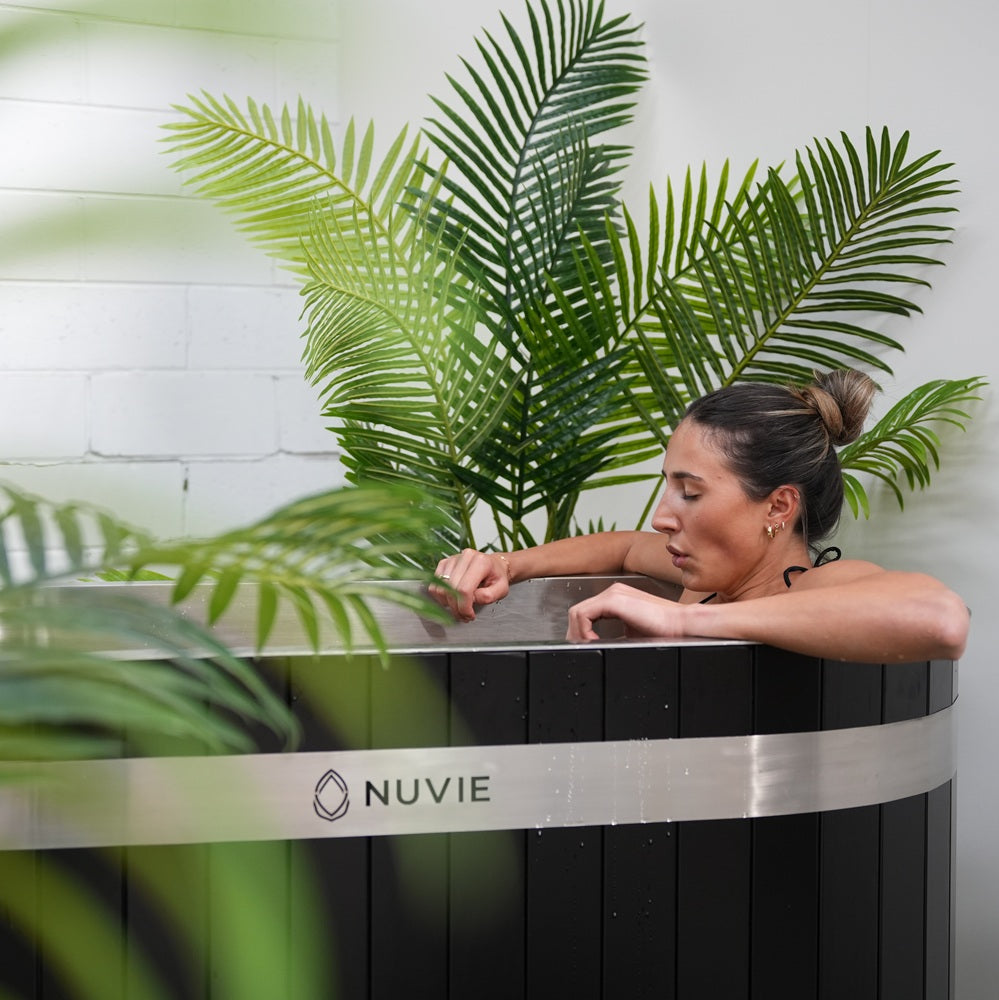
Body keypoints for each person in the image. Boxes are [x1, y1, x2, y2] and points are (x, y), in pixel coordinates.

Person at [431, 369, 969, 663]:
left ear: (779, 506)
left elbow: (941, 622)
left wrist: (684, 621)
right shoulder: (706, 577)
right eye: (668, 487)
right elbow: (621, 547)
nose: (664, 518)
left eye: (690, 493)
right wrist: (508, 564)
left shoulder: (814, 587)